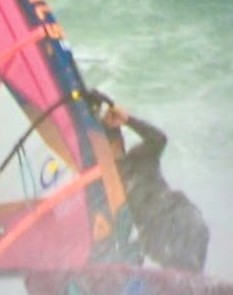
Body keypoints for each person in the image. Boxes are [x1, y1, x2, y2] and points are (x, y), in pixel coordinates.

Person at [86, 89, 210, 274]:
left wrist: (128, 120)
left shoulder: (140, 157)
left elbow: (159, 139)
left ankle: (194, 282)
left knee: (188, 257)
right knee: (172, 260)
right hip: (157, 235)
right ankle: (185, 282)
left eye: (110, 144)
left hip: (181, 217)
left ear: (117, 142)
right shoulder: (103, 182)